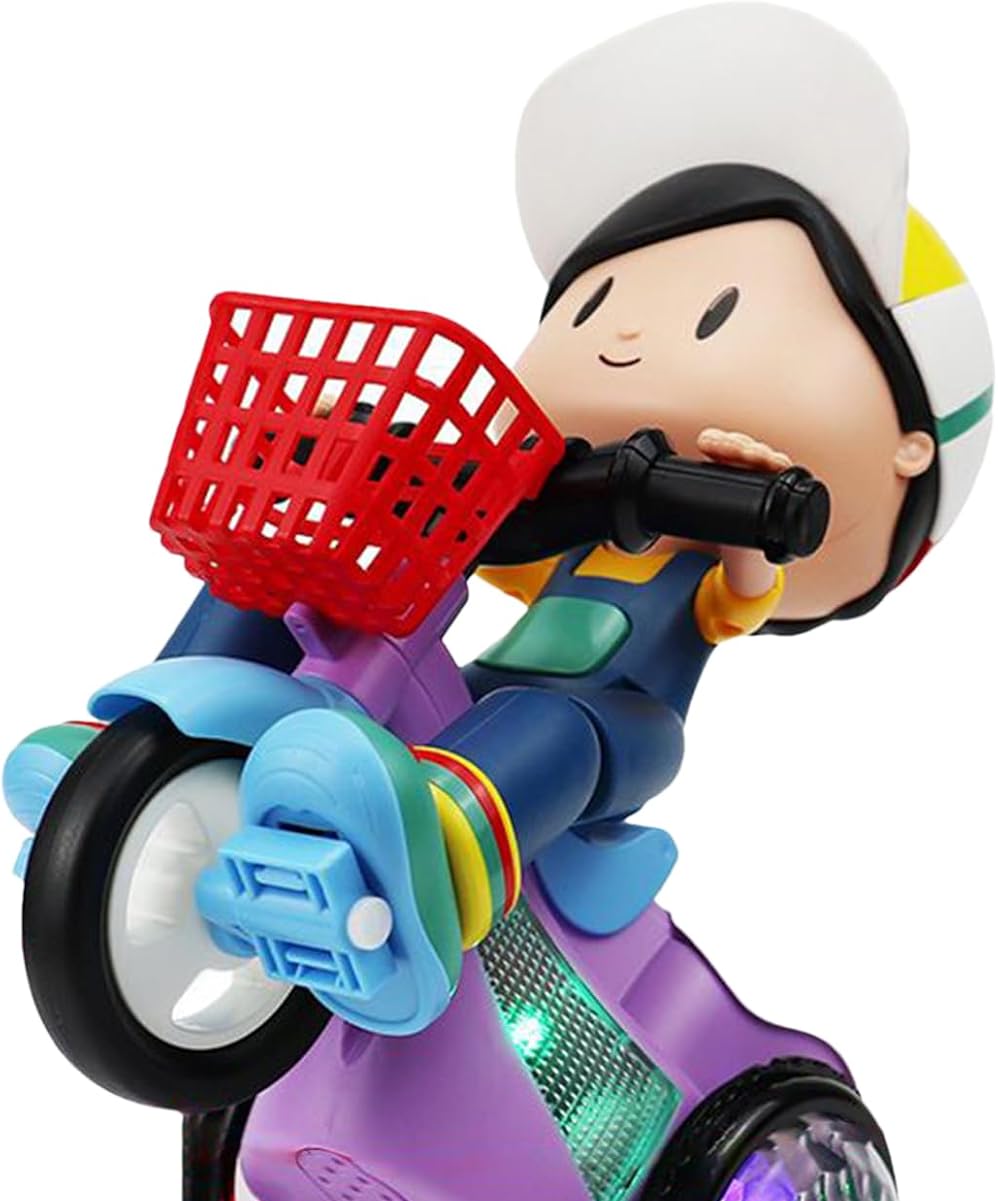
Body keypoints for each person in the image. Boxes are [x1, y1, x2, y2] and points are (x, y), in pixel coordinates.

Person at [7, 7, 992, 963]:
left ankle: (448, 841)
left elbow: (745, 590)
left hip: (613, 721)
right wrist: (366, 462)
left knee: (553, 723)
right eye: (589, 306)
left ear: (913, 445)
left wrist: (750, 511)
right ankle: (132, 742)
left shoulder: (693, 566)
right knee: (309, 581)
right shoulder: (570, 523)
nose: (623, 333)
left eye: (713, 317)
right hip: (482, 700)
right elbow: (476, 541)